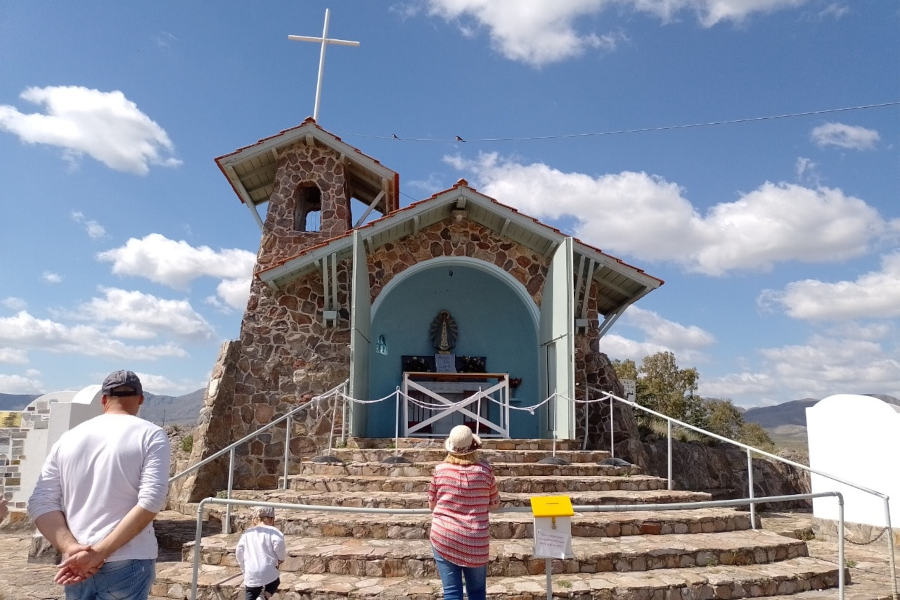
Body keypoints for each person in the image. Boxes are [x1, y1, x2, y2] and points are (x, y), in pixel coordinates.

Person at [27, 370, 170, 599]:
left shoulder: (68, 438)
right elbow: (151, 500)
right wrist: (99, 553)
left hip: (77, 564)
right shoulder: (151, 435)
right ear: (141, 399)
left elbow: (40, 502)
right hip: (128, 558)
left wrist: (72, 549)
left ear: (104, 399)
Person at [428, 425, 500, 600]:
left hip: (444, 535)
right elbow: (495, 503)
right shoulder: (485, 471)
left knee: (452, 592)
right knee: (476, 592)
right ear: (473, 446)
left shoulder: (440, 470)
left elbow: (432, 504)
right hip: (475, 539)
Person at [235, 506, 286, 600]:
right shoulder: (274, 532)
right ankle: (264, 596)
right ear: (271, 519)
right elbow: (278, 544)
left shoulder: (248, 533)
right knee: (275, 582)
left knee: (250, 592)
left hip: (251, 572)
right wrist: (281, 558)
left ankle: (258, 596)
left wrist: (243, 567)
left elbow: (239, 551)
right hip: (268, 570)